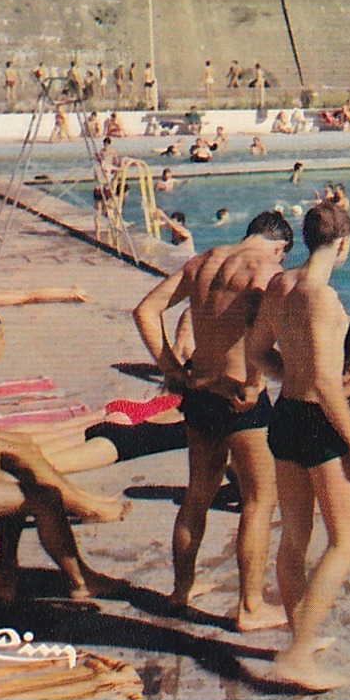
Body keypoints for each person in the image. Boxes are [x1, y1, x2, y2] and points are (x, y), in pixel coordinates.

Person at [132, 211, 295, 630]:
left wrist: (171, 368)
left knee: (198, 493)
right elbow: (262, 321)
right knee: (259, 501)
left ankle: (181, 591)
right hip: (241, 399)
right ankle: (250, 608)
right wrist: (256, 382)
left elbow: (145, 311)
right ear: (280, 246)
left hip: (199, 391)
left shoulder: (202, 261)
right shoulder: (268, 270)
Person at [246, 204, 350, 691]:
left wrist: (290, 377)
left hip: (286, 416)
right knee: (345, 540)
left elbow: (256, 352)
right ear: (343, 243)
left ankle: (297, 632)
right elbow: (327, 382)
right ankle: (299, 655)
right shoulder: (323, 299)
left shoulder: (281, 285)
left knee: (296, 536)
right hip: (322, 424)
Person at [0, 311, 126, 604]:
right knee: (43, 498)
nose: (5, 344)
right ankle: (78, 580)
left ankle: (9, 568)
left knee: (17, 451)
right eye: (2, 339)